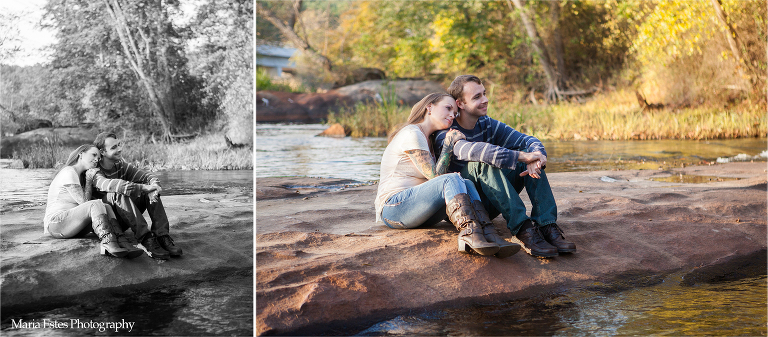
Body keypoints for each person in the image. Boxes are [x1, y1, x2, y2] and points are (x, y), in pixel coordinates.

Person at [434, 75, 576, 258]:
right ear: (460, 103)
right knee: (483, 163)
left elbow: (527, 139)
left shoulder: (487, 124)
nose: (485, 99)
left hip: (492, 201)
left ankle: (546, 224)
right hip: (467, 210)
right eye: (477, 97)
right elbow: (477, 151)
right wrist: (523, 156)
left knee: (526, 153)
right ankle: (523, 230)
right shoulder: (446, 130)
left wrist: (536, 157)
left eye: (484, 94)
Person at [375, 93, 521, 258]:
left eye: (455, 112)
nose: (453, 115)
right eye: (448, 108)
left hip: (419, 211)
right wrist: (448, 144)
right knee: (451, 178)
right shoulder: (412, 133)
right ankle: (468, 233)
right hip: (394, 208)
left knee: (465, 181)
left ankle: (487, 232)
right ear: (429, 107)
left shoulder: (429, 139)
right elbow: (436, 177)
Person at [90, 132, 182, 260]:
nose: (119, 149)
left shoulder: (120, 165)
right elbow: (113, 185)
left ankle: (162, 235)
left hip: (126, 216)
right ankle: (145, 239)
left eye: (119, 145)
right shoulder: (94, 170)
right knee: (118, 193)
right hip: (111, 224)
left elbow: (147, 176)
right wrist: (143, 188)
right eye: (114, 147)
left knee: (147, 189)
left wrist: (153, 188)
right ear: (103, 152)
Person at [44, 144, 143, 259]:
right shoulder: (69, 172)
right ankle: (107, 242)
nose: (97, 159)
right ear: (81, 154)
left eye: (99, 158)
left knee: (105, 206)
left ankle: (121, 241)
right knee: (95, 203)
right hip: (57, 223)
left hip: (72, 225)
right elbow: (85, 202)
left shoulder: (78, 175)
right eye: (94, 155)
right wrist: (89, 180)